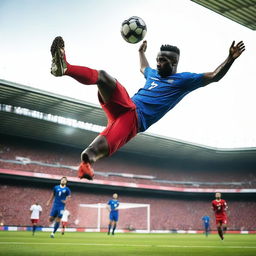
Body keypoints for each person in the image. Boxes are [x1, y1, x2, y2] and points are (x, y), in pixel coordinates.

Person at [50, 37, 245, 180]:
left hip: (135, 118)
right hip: (124, 106)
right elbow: (144, 68)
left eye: (163, 61)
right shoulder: (153, 74)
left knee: (89, 153)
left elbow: (213, 76)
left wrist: (230, 58)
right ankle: (65, 67)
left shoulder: (183, 80)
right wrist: (141, 52)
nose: (158, 63)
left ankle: (86, 166)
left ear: (174, 63)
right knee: (103, 77)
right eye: (157, 59)